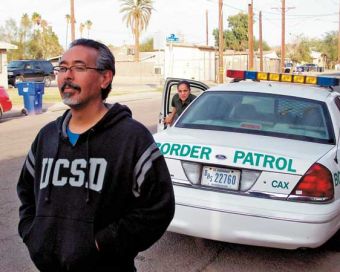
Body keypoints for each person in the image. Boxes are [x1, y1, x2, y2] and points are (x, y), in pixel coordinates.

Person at [17, 38, 175, 272]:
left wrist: (103, 243)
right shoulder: (47, 137)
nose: (67, 75)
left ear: (105, 78)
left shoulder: (131, 138)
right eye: (63, 67)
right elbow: (26, 193)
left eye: (79, 67)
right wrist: (33, 234)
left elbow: (159, 207)